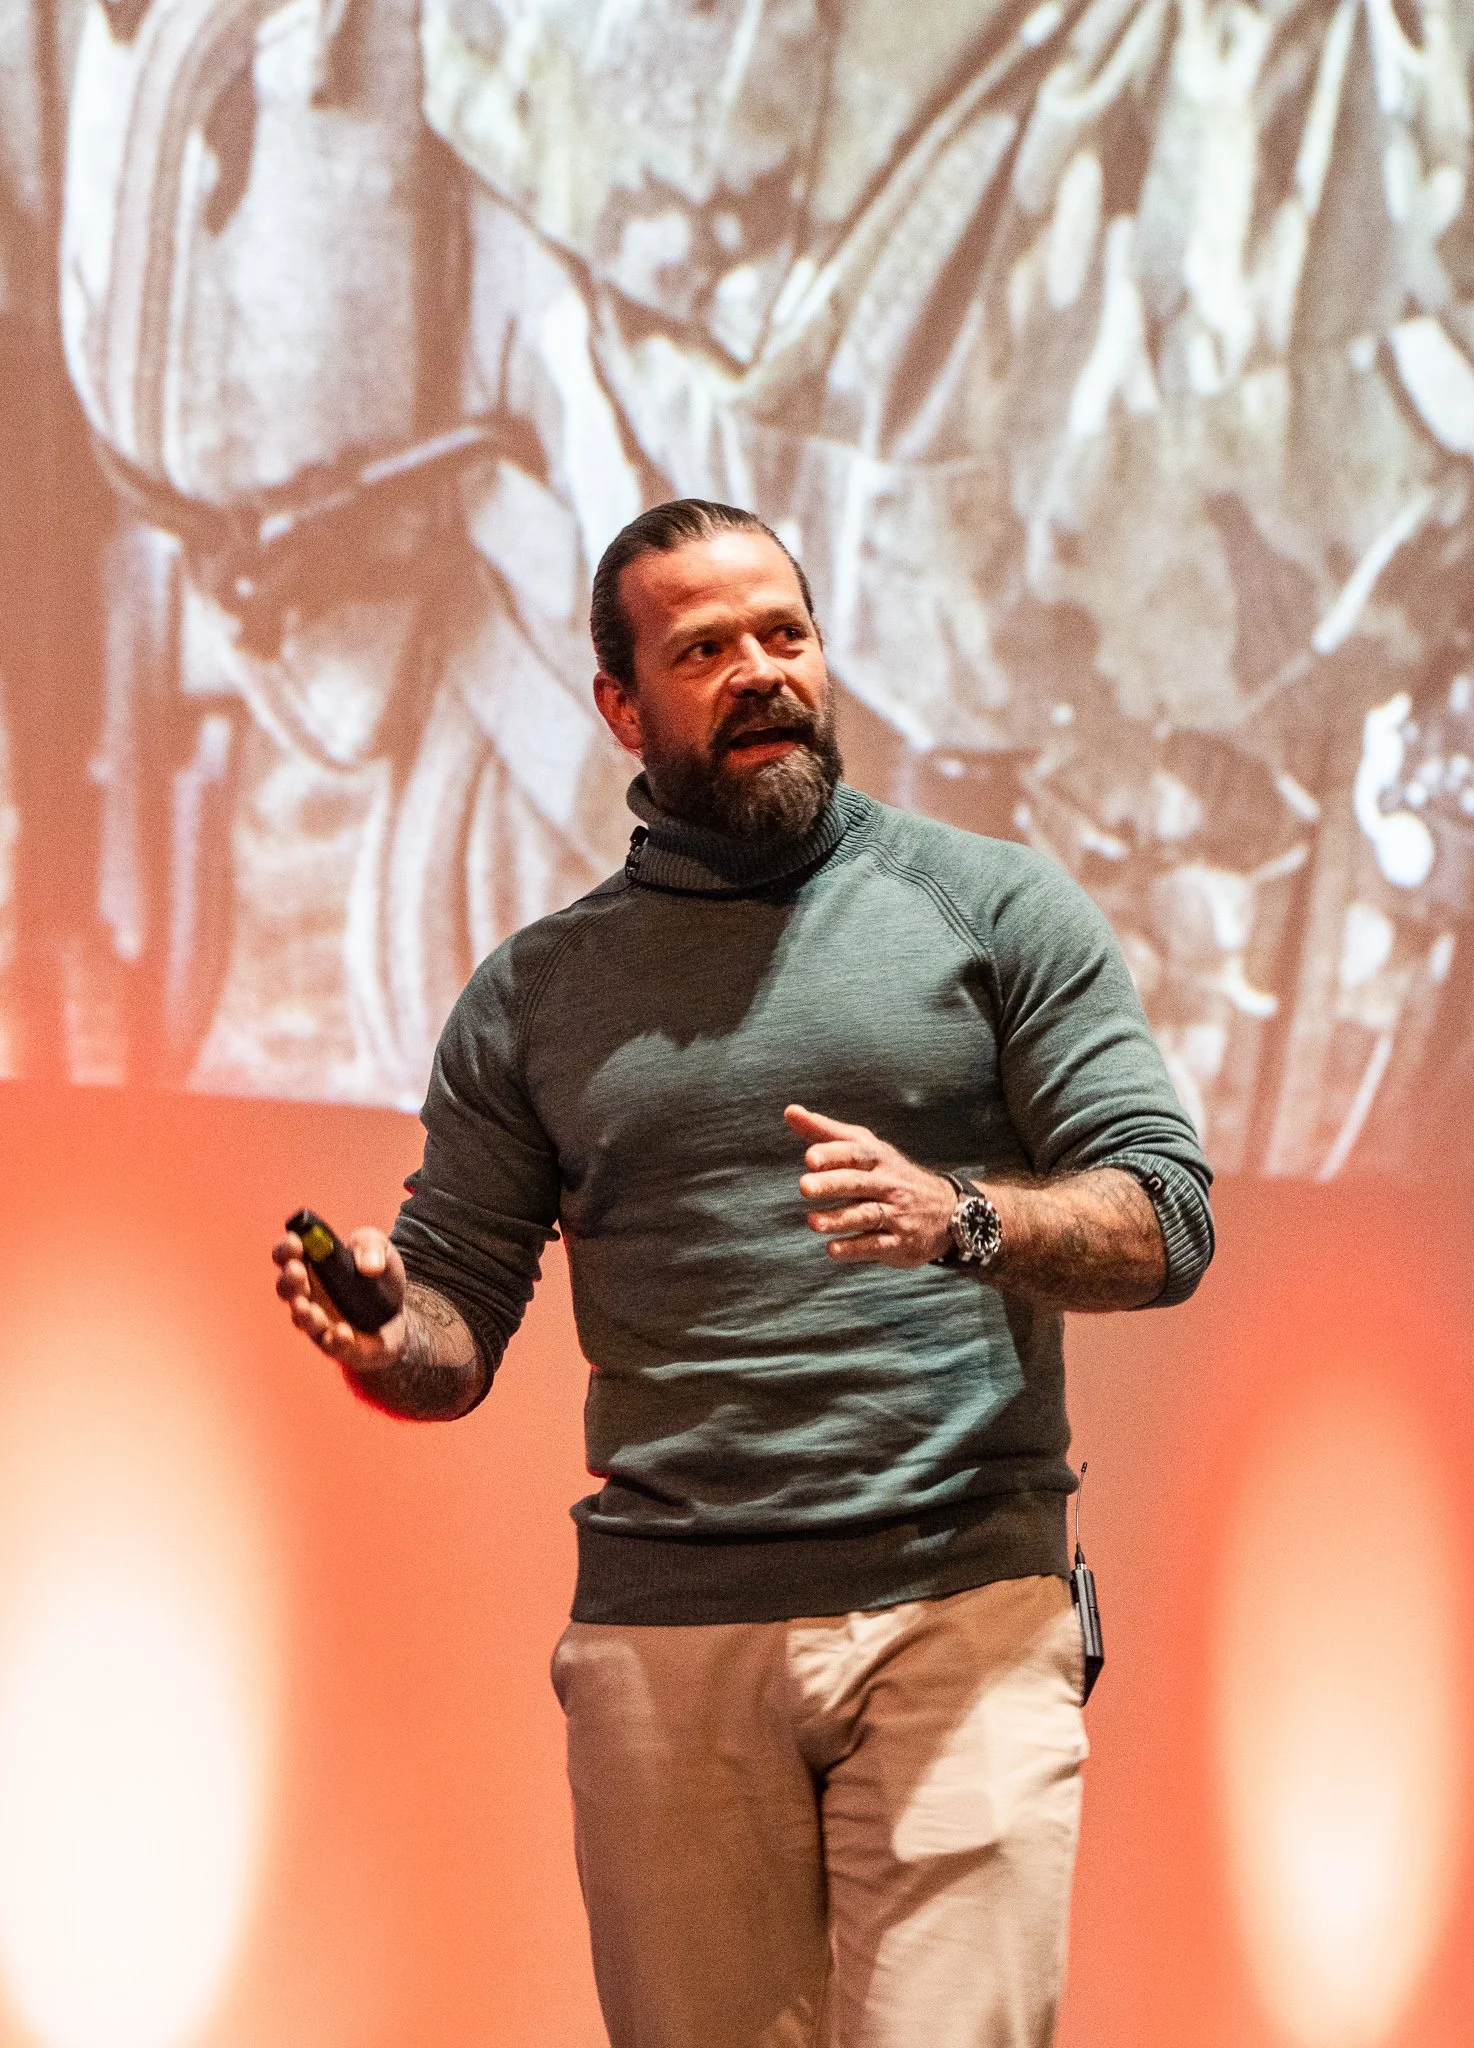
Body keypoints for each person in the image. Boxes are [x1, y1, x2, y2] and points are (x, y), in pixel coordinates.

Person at [274, 498, 1214, 2048]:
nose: (760, 672)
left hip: (961, 1606)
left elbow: (1166, 1216)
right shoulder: (537, 994)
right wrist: (382, 1324)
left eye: (785, 634)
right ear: (622, 708)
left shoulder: (994, 910)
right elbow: (453, 1335)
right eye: (704, 649)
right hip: (670, 1637)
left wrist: (959, 1217)